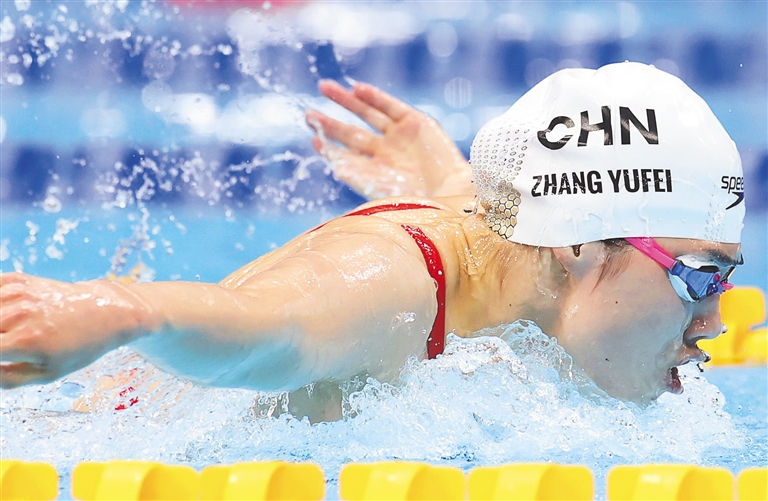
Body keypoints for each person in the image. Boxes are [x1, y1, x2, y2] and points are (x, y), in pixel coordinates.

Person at [0, 62, 744, 422]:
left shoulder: (513, 242)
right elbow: (268, 329)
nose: (713, 322)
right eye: (699, 276)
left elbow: (482, 208)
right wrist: (117, 309)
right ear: (576, 245)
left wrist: (444, 172)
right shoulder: (388, 285)